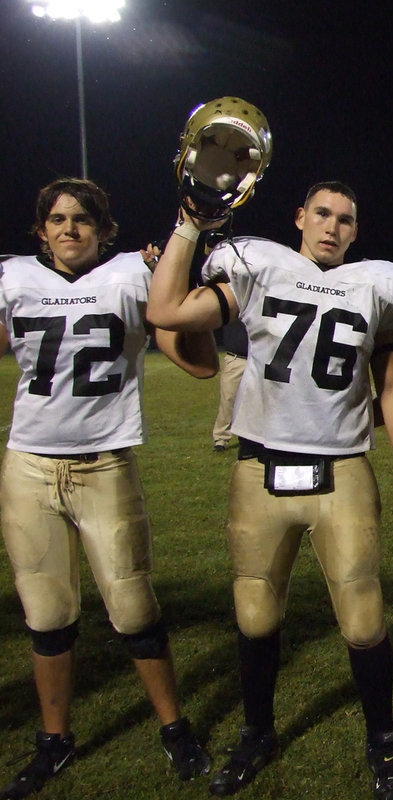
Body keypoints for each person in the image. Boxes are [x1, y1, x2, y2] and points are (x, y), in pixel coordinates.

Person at [146, 181, 393, 800]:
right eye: (321, 213)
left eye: (345, 219)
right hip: (260, 465)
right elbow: (165, 312)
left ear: (356, 231)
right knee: (255, 612)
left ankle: (382, 742)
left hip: (342, 469)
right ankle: (257, 733)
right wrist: (189, 225)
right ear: (300, 217)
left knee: (363, 619)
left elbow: (392, 386)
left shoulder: (374, 286)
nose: (331, 226)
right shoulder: (259, 269)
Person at [0, 178, 217, 798]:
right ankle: (54, 740)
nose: (69, 229)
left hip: (104, 466)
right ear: (41, 230)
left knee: (134, 609)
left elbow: (200, 363)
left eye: (82, 219)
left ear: (103, 228)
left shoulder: (130, 274)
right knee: (46, 615)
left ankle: (175, 728)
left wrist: (175, 283)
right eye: (58, 219)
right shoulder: (14, 278)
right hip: (29, 468)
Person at [211, 319, 248, 452]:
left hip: (260, 358)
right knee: (228, 399)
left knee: (261, 400)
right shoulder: (235, 307)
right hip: (236, 358)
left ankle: (256, 438)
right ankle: (221, 438)